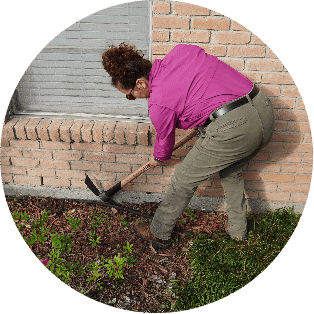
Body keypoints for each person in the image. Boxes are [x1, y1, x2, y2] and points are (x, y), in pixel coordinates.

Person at [102, 43, 274, 250]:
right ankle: (238, 232)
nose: (131, 99)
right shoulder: (181, 52)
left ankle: (159, 232)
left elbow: (164, 144)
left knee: (183, 179)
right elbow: (198, 85)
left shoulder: (158, 104)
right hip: (262, 110)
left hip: (234, 128)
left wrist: (157, 157)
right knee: (231, 171)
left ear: (140, 83)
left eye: (130, 94)